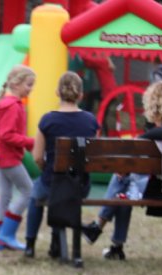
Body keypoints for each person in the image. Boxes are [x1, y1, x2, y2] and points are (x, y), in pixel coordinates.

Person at [82, 80, 162, 261]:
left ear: (153, 105)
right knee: (124, 191)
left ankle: (98, 226)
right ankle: (115, 247)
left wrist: (139, 139)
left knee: (122, 180)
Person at [24, 71, 99, 258]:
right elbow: (92, 156)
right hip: (80, 185)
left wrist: (46, 170)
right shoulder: (91, 121)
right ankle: (56, 241)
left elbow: (37, 157)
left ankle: (30, 244)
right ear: (80, 95)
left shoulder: (47, 120)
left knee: (36, 195)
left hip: (52, 182)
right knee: (60, 191)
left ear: (57, 92)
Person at [0, 65, 36, 251]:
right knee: (28, 191)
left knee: (5, 195)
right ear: (16, 84)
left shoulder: (7, 103)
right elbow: (7, 134)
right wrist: (29, 142)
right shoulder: (13, 107)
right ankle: (7, 235)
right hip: (8, 157)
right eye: (29, 84)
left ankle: (2, 240)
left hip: (1, 154)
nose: (31, 88)